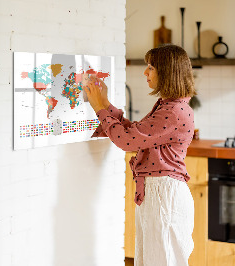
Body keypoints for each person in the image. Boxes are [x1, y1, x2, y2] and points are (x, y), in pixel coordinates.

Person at [84, 44, 196, 266]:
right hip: (159, 193)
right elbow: (135, 133)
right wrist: (105, 103)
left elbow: (127, 141)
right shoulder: (169, 106)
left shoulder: (173, 111)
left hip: (164, 195)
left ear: (167, 72)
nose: (145, 72)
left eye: (151, 67)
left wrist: (99, 108)